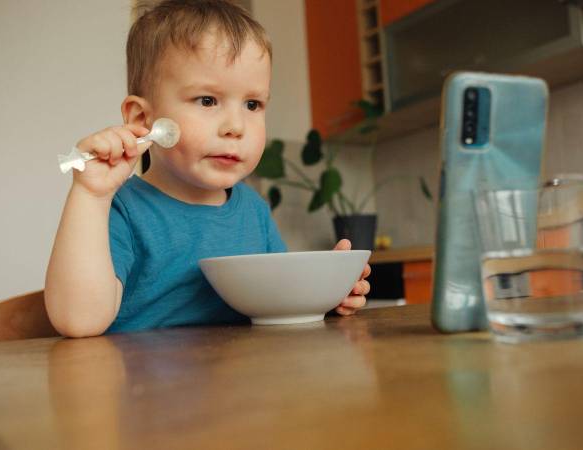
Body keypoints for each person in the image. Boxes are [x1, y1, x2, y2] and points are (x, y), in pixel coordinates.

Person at [45, 0, 371, 337]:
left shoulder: (254, 212)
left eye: (252, 104)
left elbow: (279, 305)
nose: (235, 126)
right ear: (143, 119)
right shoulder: (122, 210)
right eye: (207, 100)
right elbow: (78, 321)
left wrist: (325, 292)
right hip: (146, 387)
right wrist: (90, 195)